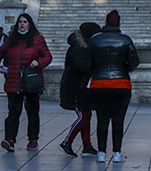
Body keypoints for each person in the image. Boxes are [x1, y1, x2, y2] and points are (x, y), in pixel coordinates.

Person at [0, 14, 53, 152]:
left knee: (32, 111)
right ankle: (9, 139)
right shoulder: (11, 39)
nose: (22, 24)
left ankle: (33, 139)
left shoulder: (38, 39)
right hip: (14, 81)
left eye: (25, 22)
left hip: (31, 80)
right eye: (20, 22)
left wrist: (38, 63)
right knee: (13, 111)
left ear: (29, 24)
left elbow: (48, 56)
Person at [88, 10, 139, 163]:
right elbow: (134, 61)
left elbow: (87, 61)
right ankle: (117, 152)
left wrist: (97, 71)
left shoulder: (94, 40)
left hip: (99, 82)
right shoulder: (125, 39)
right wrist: (124, 69)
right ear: (119, 23)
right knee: (118, 119)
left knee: (101, 119)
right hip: (121, 83)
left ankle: (101, 152)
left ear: (105, 22)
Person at [58, 22, 100, 158]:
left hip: (81, 87)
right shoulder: (79, 48)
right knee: (84, 116)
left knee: (86, 114)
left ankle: (87, 146)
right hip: (75, 87)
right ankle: (66, 142)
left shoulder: (83, 46)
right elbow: (81, 66)